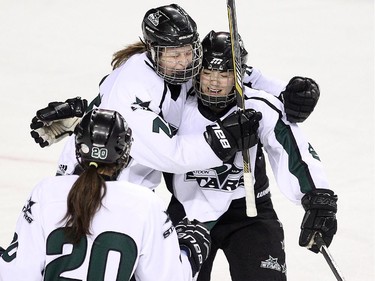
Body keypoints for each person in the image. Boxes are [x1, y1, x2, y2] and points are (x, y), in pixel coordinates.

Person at [29, 4, 320, 191]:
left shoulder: (179, 67)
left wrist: (288, 95)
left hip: (132, 187)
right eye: (175, 55)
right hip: (94, 185)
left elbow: (239, 73)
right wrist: (224, 138)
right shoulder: (135, 85)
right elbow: (171, 155)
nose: (185, 62)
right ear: (153, 50)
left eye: (189, 51)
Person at [163, 30, 338, 281]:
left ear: (239, 75)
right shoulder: (176, 106)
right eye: (208, 73)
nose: (214, 82)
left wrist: (317, 197)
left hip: (250, 213)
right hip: (188, 211)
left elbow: (290, 149)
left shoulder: (257, 106)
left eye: (224, 75)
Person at [0, 108, 212, 281]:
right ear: (125, 153)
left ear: (78, 150)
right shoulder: (145, 204)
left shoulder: (47, 192)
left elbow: (17, 274)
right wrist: (188, 252)